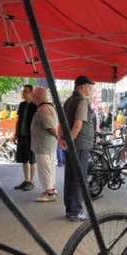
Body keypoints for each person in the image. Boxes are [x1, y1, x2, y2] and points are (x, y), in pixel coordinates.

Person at [59, 75, 95, 222]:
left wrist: (61, 139)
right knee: (79, 178)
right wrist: (69, 141)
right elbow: (78, 125)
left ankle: (69, 208)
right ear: (82, 87)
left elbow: (61, 123)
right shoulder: (82, 102)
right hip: (80, 145)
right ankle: (76, 210)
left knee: (70, 176)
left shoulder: (68, 101)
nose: (92, 89)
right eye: (90, 86)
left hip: (72, 145)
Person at [30, 86, 59, 202]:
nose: (33, 98)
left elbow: (50, 127)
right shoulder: (48, 107)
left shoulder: (43, 109)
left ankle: (49, 193)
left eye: (33, 95)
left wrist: (59, 137)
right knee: (50, 167)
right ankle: (51, 189)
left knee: (45, 168)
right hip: (47, 144)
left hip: (43, 144)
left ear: (37, 97)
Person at [12, 85, 37, 191]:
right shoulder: (22, 105)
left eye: (26, 91)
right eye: (23, 91)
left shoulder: (35, 105)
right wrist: (15, 134)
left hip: (32, 137)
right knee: (23, 159)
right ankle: (26, 180)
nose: (24, 93)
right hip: (22, 136)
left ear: (32, 93)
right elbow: (18, 120)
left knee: (32, 159)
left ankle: (31, 181)